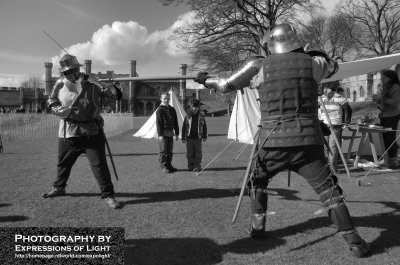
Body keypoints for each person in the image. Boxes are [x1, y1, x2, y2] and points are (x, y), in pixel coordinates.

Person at [194, 23, 371, 258]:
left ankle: (257, 229)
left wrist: (205, 80)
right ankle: (355, 243)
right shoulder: (314, 62)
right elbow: (333, 65)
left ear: (271, 44)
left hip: (271, 141)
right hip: (307, 140)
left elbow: (225, 85)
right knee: (329, 191)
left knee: (257, 180)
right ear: (295, 41)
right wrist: (311, 50)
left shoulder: (258, 65)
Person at [42, 54, 122, 209]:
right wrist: (61, 110)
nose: (70, 74)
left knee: (99, 165)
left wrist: (108, 85)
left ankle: (108, 195)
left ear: (78, 69)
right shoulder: (60, 83)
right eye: (66, 72)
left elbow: (115, 96)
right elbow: (51, 101)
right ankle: (59, 188)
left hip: (92, 130)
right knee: (63, 163)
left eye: (72, 70)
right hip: (68, 130)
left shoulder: (92, 82)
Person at [319, 84, 352, 174]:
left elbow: (348, 109)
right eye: (325, 90)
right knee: (326, 146)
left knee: (332, 146)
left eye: (327, 89)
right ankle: (326, 167)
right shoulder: (321, 98)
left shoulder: (340, 98)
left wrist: (346, 122)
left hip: (335, 125)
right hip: (324, 124)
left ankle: (332, 168)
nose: (326, 91)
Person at [371, 70, 400, 167]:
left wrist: (381, 98)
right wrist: (377, 99)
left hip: (392, 116)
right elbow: (383, 102)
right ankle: (387, 158)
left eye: (384, 78)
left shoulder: (396, 87)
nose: (381, 80)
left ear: (390, 78)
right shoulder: (385, 87)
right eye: (381, 78)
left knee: (390, 138)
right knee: (384, 138)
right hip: (384, 115)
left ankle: (393, 159)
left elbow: (395, 103)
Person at [156, 91, 179, 173]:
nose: (166, 100)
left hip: (170, 133)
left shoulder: (172, 109)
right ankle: (163, 166)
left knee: (170, 151)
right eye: (165, 98)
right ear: (161, 99)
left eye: (168, 98)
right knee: (163, 151)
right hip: (163, 133)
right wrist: (160, 135)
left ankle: (169, 165)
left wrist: (177, 133)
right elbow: (158, 123)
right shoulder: (160, 110)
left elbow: (176, 122)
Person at [182, 98, 208, 172]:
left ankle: (197, 165)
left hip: (198, 138)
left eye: (196, 107)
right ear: (190, 107)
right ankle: (190, 165)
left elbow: (204, 126)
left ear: (198, 107)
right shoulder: (187, 116)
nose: (194, 109)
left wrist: (204, 136)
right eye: (192, 107)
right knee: (190, 152)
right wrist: (183, 137)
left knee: (198, 152)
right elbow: (184, 127)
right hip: (189, 138)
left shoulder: (201, 116)